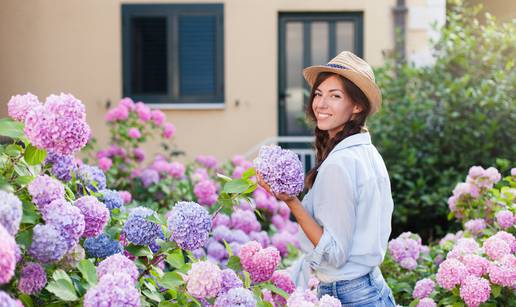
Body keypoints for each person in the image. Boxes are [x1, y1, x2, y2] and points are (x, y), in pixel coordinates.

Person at [257, 51, 396, 306]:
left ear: (357, 106)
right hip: (372, 287)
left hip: (349, 295)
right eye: (319, 94)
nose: (321, 104)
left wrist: (291, 202)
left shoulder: (340, 164)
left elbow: (334, 254)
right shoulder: (368, 153)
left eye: (335, 96)